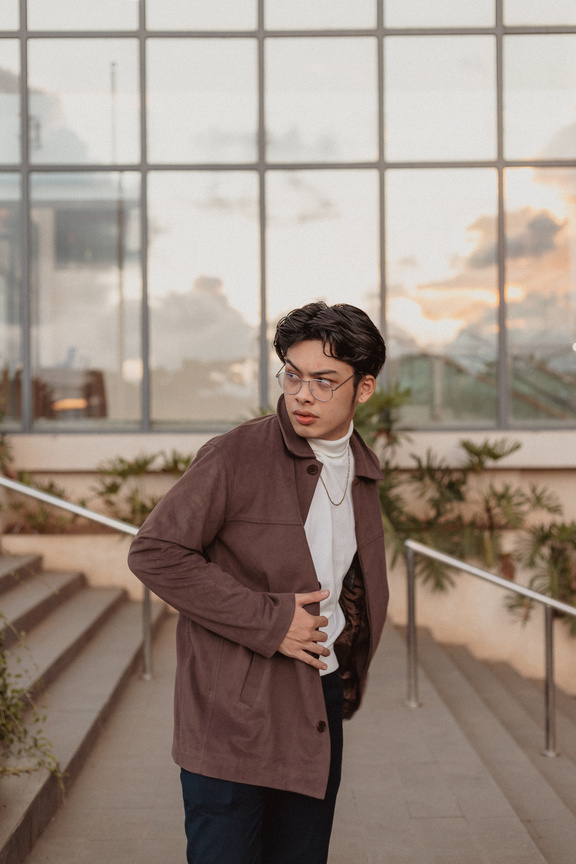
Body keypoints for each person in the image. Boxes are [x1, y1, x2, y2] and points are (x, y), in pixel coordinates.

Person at [127, 301, 389, 864]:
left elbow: (350, 585)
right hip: (230, 715)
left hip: (315, 697)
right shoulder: (235, 455)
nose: (303, 394)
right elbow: (155, 551)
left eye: (324, 380)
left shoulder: (362, 471)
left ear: (363, 389)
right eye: (292, 375)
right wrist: (271, 620)